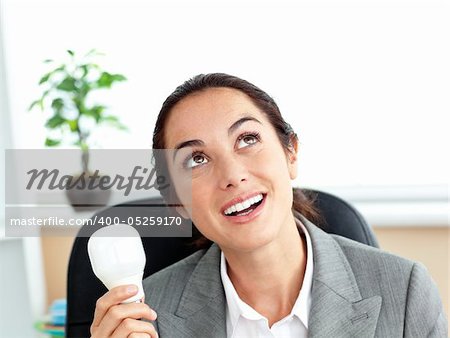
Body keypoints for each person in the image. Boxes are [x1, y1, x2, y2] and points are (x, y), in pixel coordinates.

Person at [90, 73, 448, 338]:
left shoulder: (405, 291)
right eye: (196, 159)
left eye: (247, 139)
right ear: (176, 202)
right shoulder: (147, 317)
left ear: (290, 153)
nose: (232, 175)